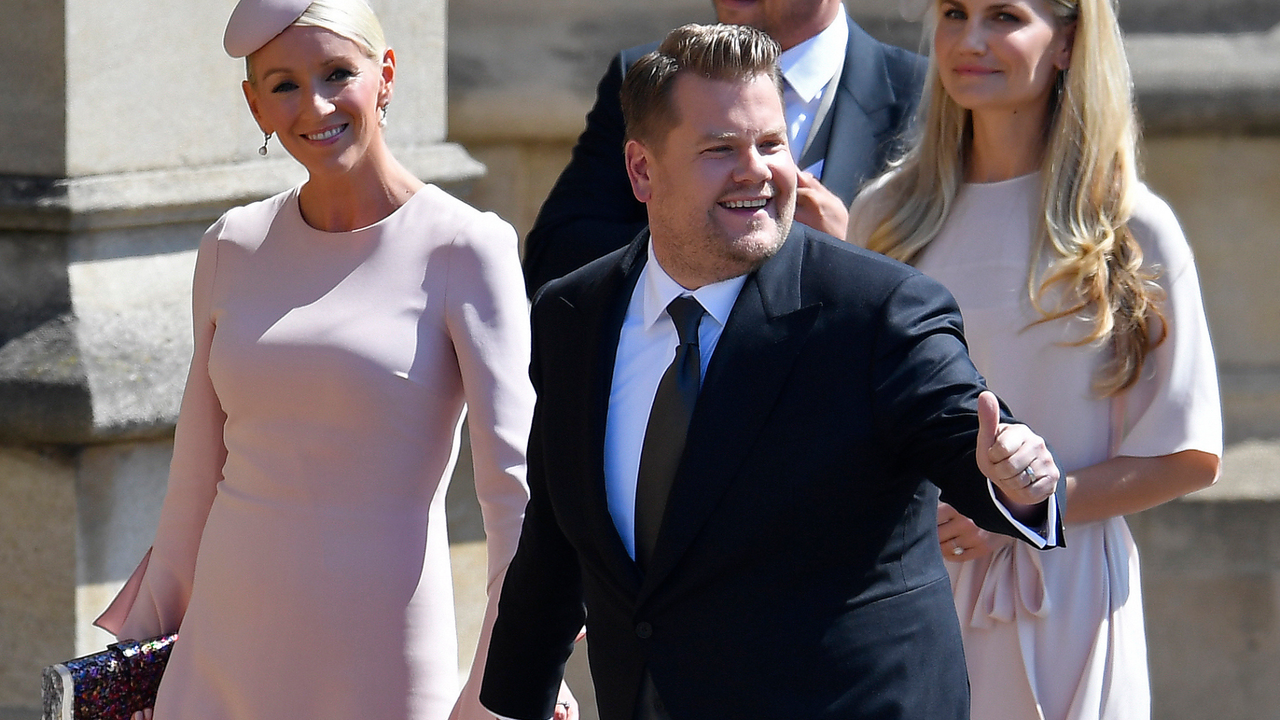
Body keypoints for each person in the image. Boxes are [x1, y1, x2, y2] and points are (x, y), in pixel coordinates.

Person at [479, 23, 1067, 720]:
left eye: (771, 144)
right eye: (720, 149)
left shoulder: (876, 311)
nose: (756, 171)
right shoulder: (574, 311)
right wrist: (513, 702)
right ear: (641, 170)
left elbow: (964, 437)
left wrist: (1015, 477)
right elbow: (554, 538)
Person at [91, 1, 575, 718]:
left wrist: (515, 679)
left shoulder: (465, 246)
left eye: (336, 73)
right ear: (255, 105)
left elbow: (517, 494)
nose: (313, 104)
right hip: (220, 658)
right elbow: (193, 483)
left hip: (382, 658)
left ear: (384, 76)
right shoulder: (230, 244)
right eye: (282, 84)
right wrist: (124, 667)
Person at [845, 0, 1222, 717]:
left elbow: (1187, 454)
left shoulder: (1132, 227)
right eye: (955, 12)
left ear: (1067, 41)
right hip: (912, 593)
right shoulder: (886, 219)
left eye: (1005, 16)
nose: (971, 40)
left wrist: (1021, 511)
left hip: (1068, 597)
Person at [520, 0, 927, 298]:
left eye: (770, 144)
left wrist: (848, 254)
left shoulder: (930, 96)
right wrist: (717, 235)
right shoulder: (648, 77)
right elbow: (555, 260)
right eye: (718, 149)